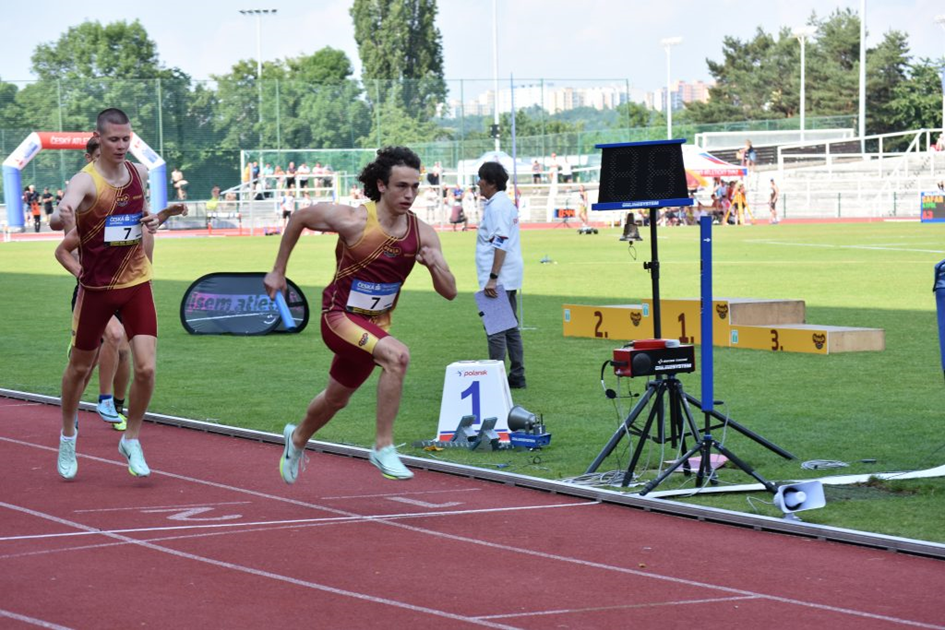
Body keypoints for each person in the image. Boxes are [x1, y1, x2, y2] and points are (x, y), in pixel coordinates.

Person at [264, 147, 457, 484]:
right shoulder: (353, 220)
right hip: (338, 317)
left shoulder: (422, 233)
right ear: (381, 185)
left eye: (415, 186)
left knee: (336, 399)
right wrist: (278, 271)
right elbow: (299, 218)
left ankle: (297, 438)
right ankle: (383, 447)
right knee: (397, 357)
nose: (409, 194)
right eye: (401, 186)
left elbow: (450, 291)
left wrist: (434, 266)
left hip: (374, 325)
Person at [50, 108, 178, 480]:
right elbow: (69, 202)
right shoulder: (86, 180)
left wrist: (153, 218)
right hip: (97, 290)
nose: (121, 145)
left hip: (136, 283)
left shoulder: (138, 173)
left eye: (126, 139)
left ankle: (131, 438)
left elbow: (141, 215)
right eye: (114, 139)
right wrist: (66, 209)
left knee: (147, 368)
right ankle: (68, 435)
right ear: (99, 138)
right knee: (79, 368)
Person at [475, 161, 526, 390]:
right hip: (509, 273)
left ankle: (496, 379)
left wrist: (493, 277)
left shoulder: (497, 207)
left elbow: (500, 242)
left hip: (499, 276)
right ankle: (517, 375)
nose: (478, 183)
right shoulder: (504, 203)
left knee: (496, 330)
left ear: (492, 182)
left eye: (481, 178)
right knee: (510, 328)